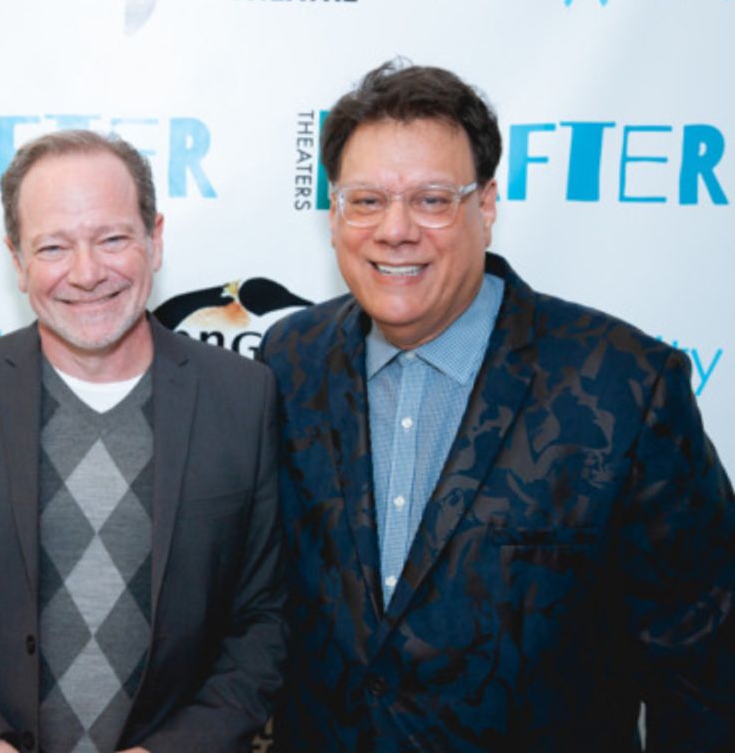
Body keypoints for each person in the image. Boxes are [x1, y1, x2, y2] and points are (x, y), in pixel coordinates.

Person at [262, 60, 735, 751]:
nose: (395, 230)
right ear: (334, 212)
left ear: (485, 206)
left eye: (431, 199)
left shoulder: (624, 385)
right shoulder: (289, 359)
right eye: (365, 200)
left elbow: (704, 668)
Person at [0, 129, 286, 752]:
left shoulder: (243, 397)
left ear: (155, 240)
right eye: (53, 246)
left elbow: (263, 621)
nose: (87, 274)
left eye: (112, 239)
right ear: (16, 258)